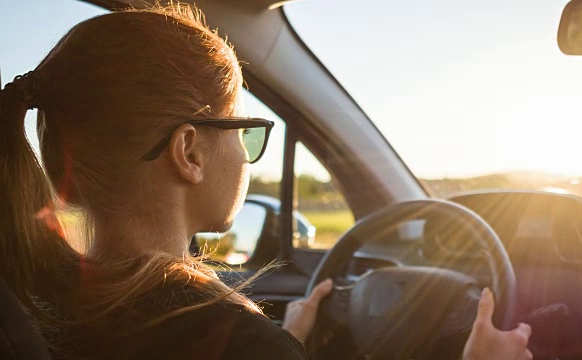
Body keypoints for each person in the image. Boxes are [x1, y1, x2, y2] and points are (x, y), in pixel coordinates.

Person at [0, 3, 532, 359]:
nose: (249, 155)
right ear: (189, 151)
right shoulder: (233, 342)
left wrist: (289, 338)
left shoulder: (41, 306)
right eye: (244, 129)